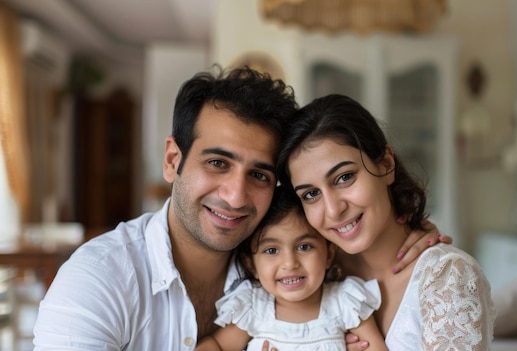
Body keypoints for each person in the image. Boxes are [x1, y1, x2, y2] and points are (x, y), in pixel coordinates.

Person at [32, 67, 444, 351]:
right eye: (217, 163)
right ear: (173, 160)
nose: (235, 196)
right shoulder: (97, 281)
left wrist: (411, 231)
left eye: (260, 175)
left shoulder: (282, 258)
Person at [277, 94, 496, 350]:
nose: (333, 210)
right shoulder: (313, 275)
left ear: (386, 165)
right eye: (311, 194)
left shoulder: (446, 277)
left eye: (344, 177)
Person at [196, 186, 388, 351]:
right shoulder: (254, 308)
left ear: (329, 254)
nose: (290, 263)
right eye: (271, 250)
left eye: (304, 247)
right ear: (251, 264)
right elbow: (216, 345)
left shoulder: (346, 304)